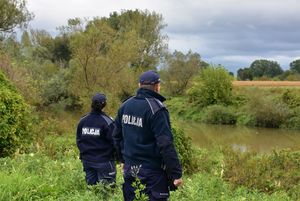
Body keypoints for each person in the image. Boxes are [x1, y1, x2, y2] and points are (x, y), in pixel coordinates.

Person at [113, 70, 183, 201]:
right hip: (152, 172)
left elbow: (116, 136)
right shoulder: (157, 109)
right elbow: (165, 144)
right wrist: (176, 174)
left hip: (129, 169)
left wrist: (122, 160)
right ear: (157, 86)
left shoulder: (125, 106)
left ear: (139, 85)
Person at [76, 93, 116, 186]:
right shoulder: (108, 122)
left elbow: (79, 140)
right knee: (107, 191)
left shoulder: (83, 120)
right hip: (104, 162)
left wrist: (85, 153)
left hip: (87, 161)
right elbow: (115, 142)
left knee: (91, 190)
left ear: (92, 104)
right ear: (104, 105)